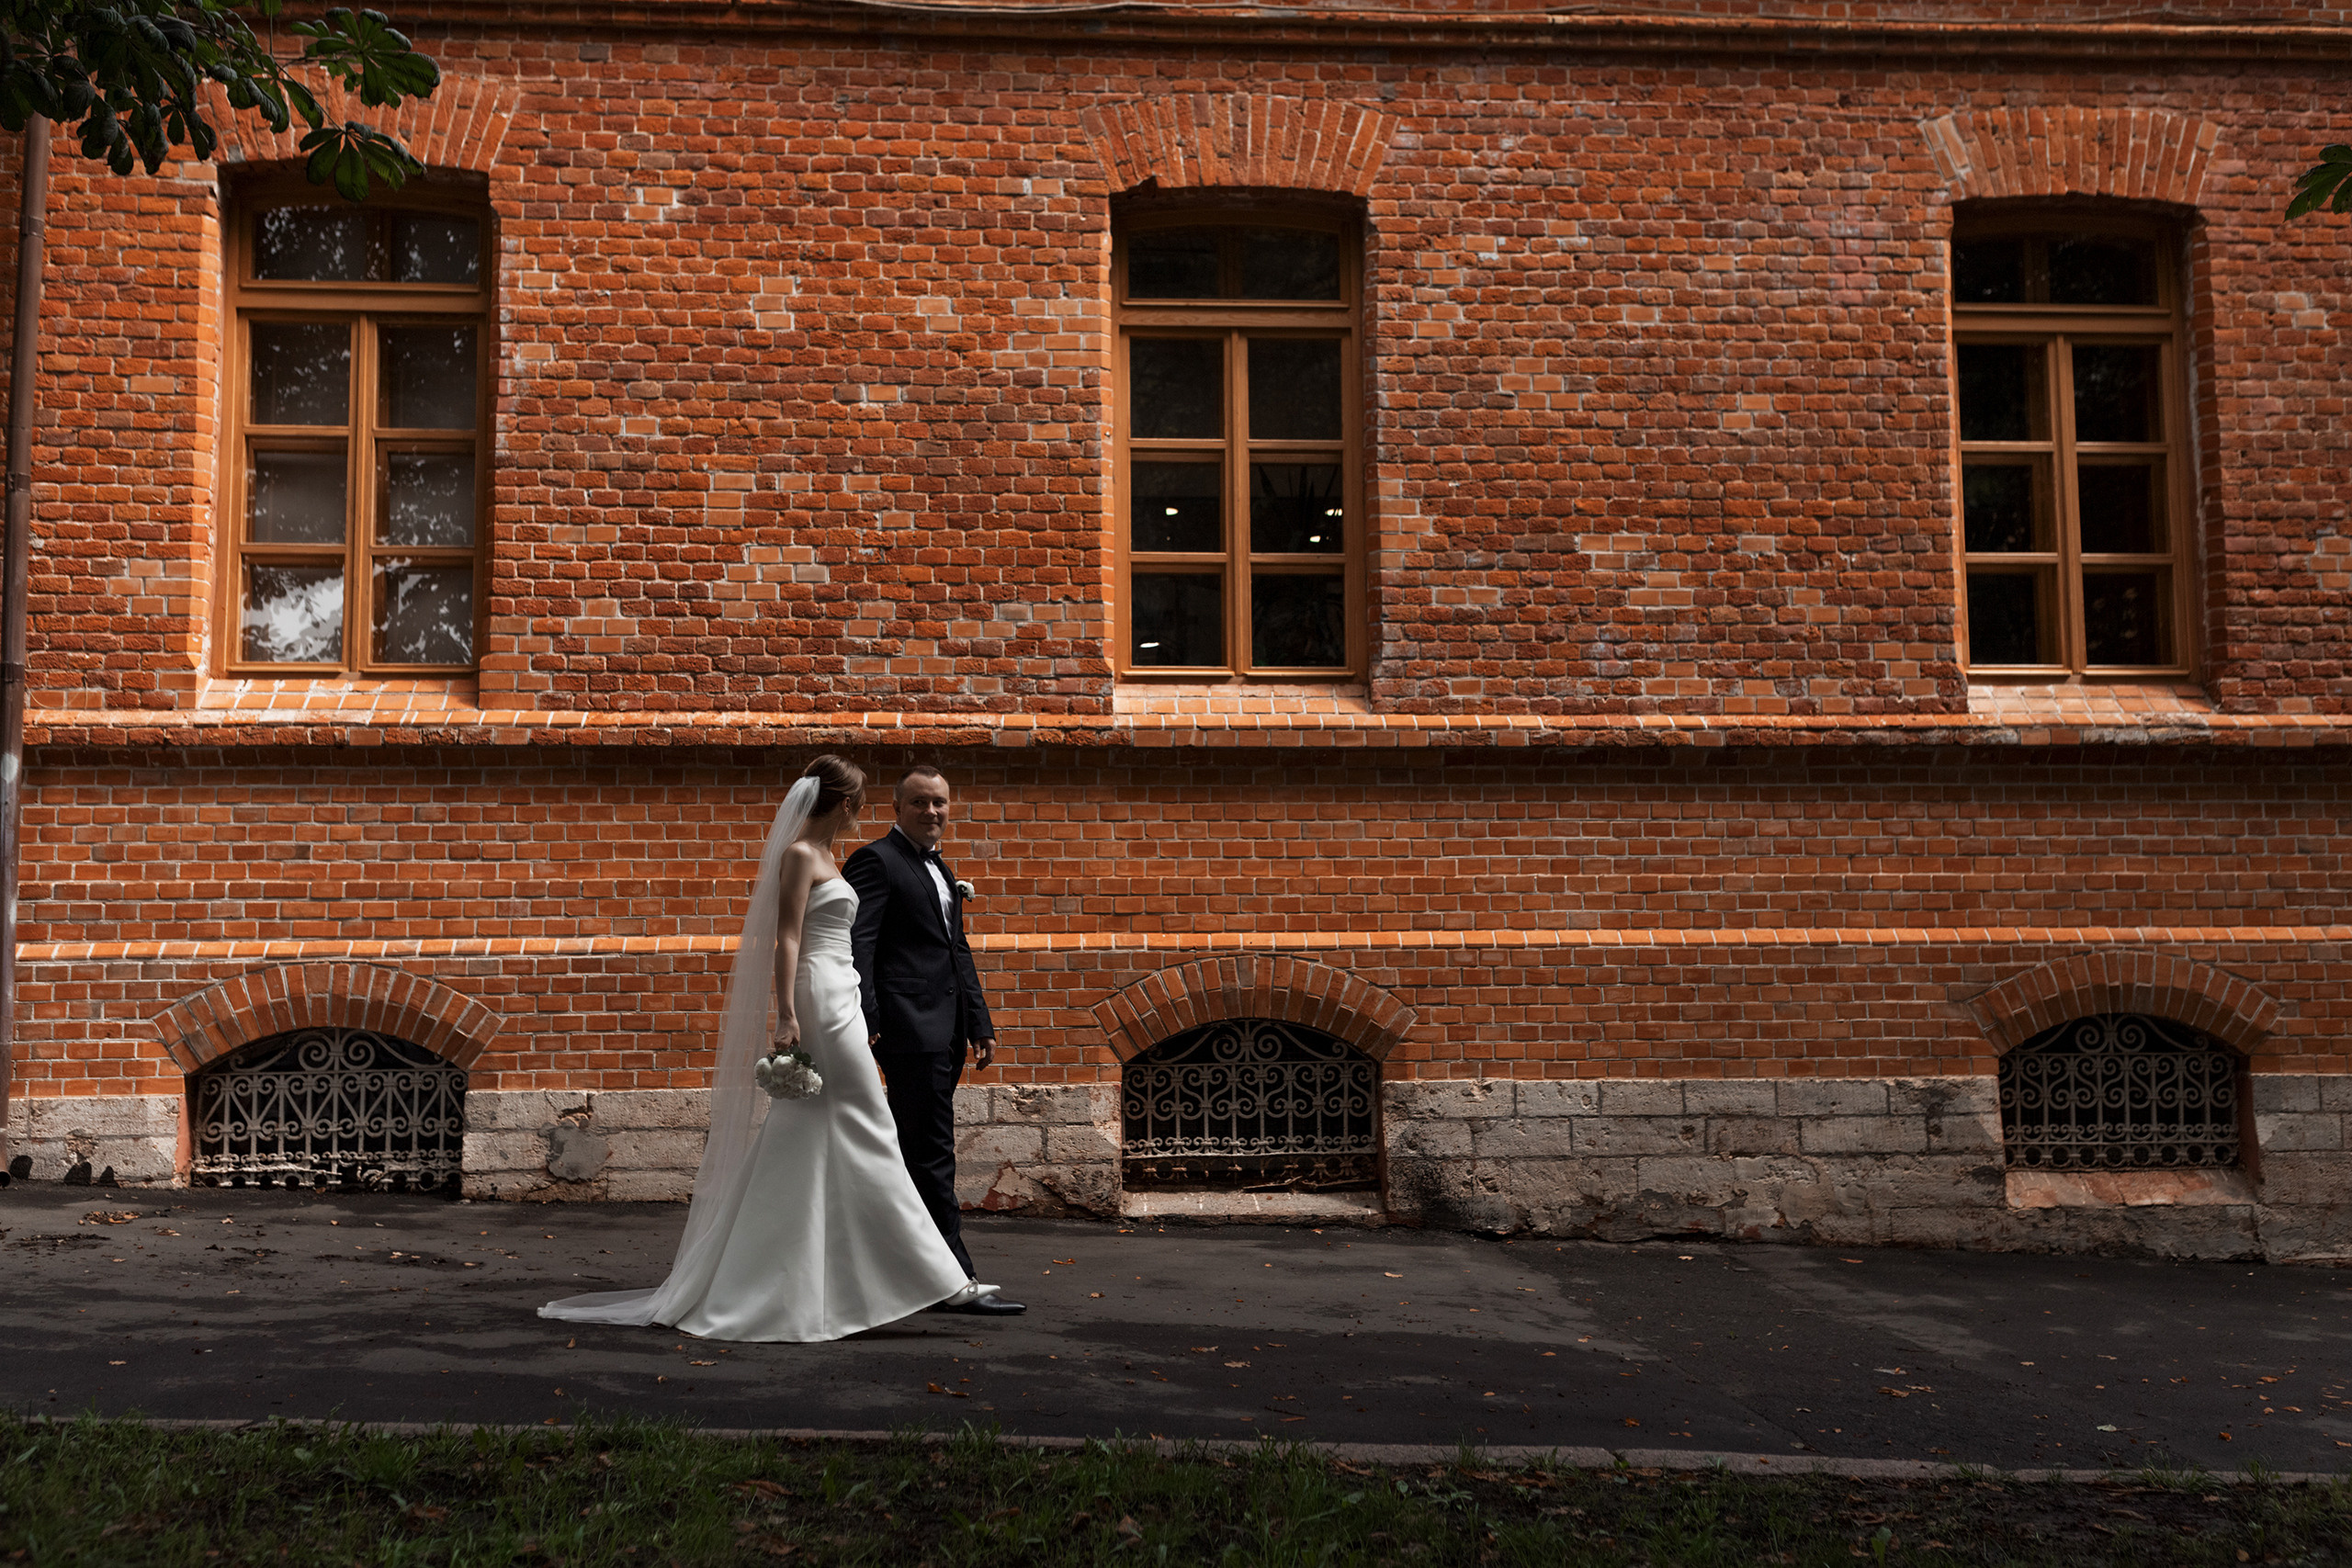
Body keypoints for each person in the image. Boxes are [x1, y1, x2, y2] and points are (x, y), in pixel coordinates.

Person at [538, 755, 1002, 1342]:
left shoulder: (834, 858)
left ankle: (825, 1273)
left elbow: (925, 946)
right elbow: (788, 937)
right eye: (862, 800)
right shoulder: (812, 856)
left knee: (811, 1133)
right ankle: (939, 1276)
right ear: (850, 804)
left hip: (843, 994)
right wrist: (786, 1014)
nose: (863, 810)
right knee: (875, 1130)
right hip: (821, 998)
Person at [843, 765, 1025, 1316]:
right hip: (907, 1027)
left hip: (945, 1030)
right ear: (896, 807)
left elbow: (956, 951)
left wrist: (979, 1023)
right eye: (919, 802)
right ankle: (954, 1278)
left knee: (921, 1152)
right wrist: (869, 1017)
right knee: (931, 1155)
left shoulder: (940, 867)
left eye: (940, 802)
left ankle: (914, 1273)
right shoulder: (876, 861)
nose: (932, 811)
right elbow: (861, 944)